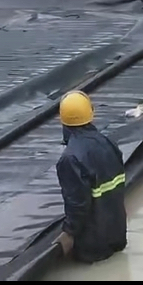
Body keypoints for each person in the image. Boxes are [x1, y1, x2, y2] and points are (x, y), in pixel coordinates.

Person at [56, 91, 128, 263]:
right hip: (117, 234)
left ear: (63, 120)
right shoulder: (107, 142)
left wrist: (68, 233)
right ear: (91, 114)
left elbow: (77, 204)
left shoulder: (70, 158)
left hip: (93, 246)